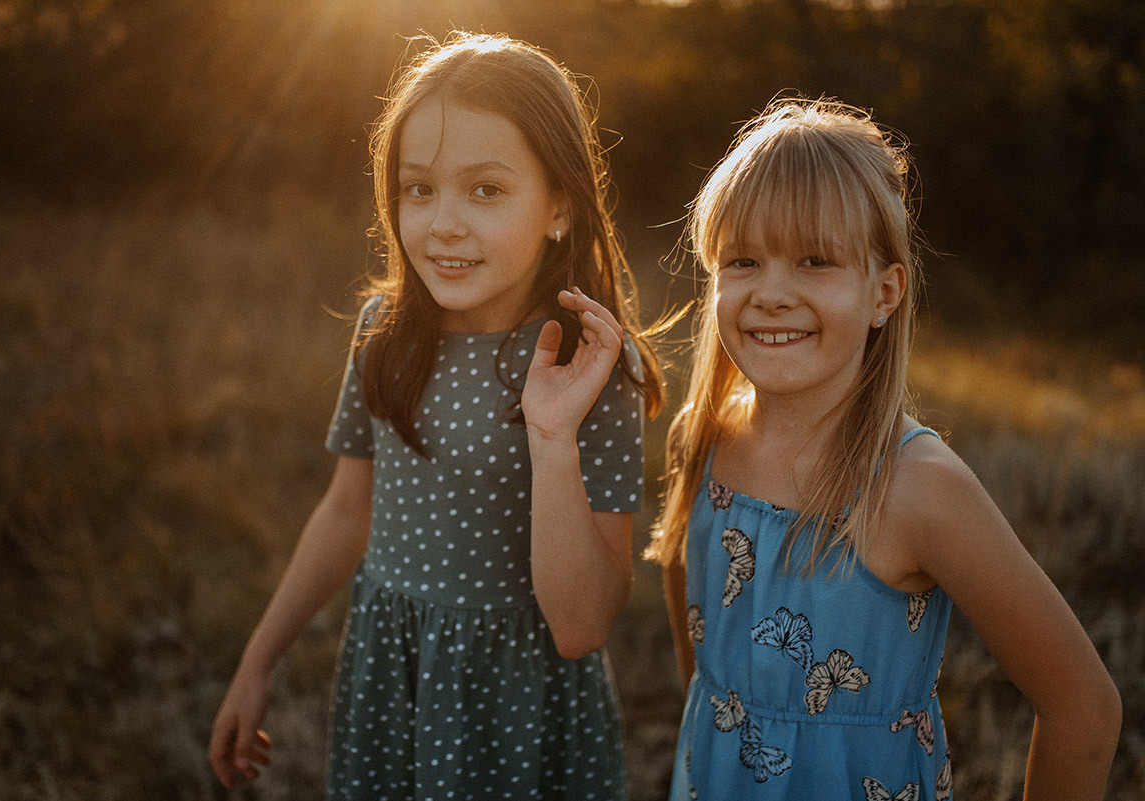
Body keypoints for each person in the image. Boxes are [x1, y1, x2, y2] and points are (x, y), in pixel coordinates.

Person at [207, 32, 663, 800]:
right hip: (394, 676)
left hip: (520, 699)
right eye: (419, 189)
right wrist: (258, 660)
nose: (442, 222)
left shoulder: (593, 367)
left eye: (485, 190)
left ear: (559, 206)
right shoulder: (386, 332)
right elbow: (348, 507)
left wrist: (552, 437)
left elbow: (582, 625)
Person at [645, 98, 1121, 800]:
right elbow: (702, 640)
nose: (772, 293)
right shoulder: (705, 436)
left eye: (815, 260)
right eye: (743, 260)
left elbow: (1084, 707)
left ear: (884, 291)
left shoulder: (917, 487)